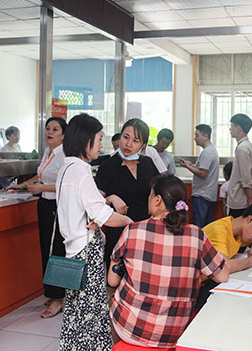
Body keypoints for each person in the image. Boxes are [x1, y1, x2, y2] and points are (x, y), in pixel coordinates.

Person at [108, 175, 229, 348]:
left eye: (150, 195)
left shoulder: (133, 230)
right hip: (175, 334)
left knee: (113, 301)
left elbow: (112, 281)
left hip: (130, 330)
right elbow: (222, 276)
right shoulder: (196, 235)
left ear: (157, 200)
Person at [56, 113, 133, 351]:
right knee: (92, 311)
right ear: (86, 139)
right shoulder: (81, 170)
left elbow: (79, 205)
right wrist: (131, 222)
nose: (101, 144)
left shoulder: (66, 167)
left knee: (76, 310)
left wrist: (98, 210)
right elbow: (104, 216)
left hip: (71, 249)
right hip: (85, 251)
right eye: (99, 139)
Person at [4, 117, 67, 318]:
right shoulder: (48, 152)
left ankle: (58, 298)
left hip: (57, 206)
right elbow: (40, 175)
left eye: (55, 129)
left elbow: (66, 184)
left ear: (64, 135)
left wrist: (41, 188)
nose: (50, 132)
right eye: (48, 128)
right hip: (44, 205)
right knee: (45, 249)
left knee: (55, 251)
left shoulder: (64, 154)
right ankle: (53, 293)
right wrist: (22, 185)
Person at [95, 118, 160, 263]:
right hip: (119, 233)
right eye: (126, 137)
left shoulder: (148, 163)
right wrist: (110, 198)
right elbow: (96, 204)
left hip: (146, 232)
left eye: (135, 140)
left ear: (143, 145)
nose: (128, 144)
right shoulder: (108, 166)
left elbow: (160, 192)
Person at [197, 201, 252, 308]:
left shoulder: (238, 231)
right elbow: (223, 268)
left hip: (211, 280)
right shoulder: (219, 231)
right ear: (251, 220)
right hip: (198, 287)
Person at [180, 124, 219, 228]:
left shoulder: (207, 152)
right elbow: (203, 170)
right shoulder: (211, 150)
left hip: (202, 195)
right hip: (208, 194)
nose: (195, 138)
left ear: (205, 136)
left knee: (199, 227)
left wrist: (188, 167)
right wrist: (191, 166)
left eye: (197, 135)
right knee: (207, 227)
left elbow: (202, 173)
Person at [228, 113, 252, 217]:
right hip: (244, 201)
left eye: (232, 126)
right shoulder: (249, 146)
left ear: (238, 128)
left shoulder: (242, 149)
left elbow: (246, 178)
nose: (230, 129)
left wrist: (250, 200)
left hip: (241, 202)